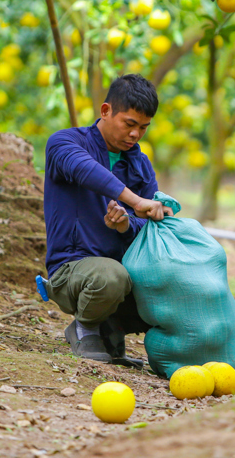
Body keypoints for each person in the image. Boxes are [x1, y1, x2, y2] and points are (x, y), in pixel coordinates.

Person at [40, 74, 171, 366]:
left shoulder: (140, 164)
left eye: (143, 127)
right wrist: (135, 201)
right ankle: (84, 327)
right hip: (72, 269)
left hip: (123, 270)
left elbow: (149, 225)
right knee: (111, 277)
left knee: (170, 284)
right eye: (129, 124)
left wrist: (126, 224)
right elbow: (86, 170)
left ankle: (110, 328)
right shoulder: (64, 143)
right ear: (105, 111)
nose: (136, 134)